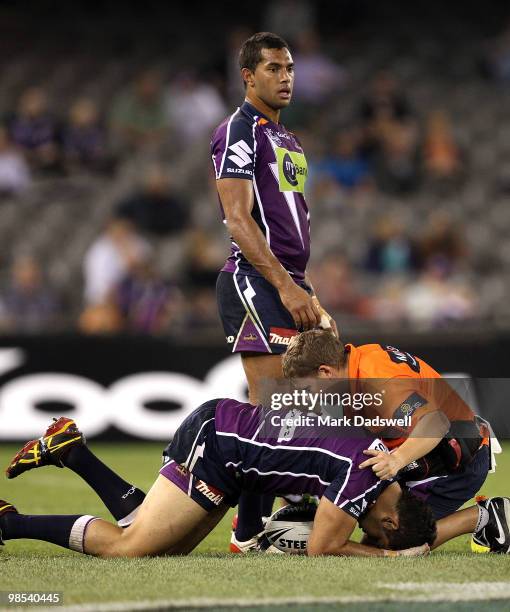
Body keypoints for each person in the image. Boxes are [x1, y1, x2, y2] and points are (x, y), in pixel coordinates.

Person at [2, 408, 436, 558]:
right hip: (220, 445)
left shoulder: (386, 465)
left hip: (231, 446)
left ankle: (72, 451)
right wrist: (387, 560)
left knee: (164, 550)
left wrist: (250, 531)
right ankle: (9, 524)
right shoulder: (367, 481)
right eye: (375, 536)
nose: (365, 530)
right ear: (392, 524)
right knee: (128, 547)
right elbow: (325, 545)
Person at [211, 31, 336, 548]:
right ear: (248, 76)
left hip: (290, 282)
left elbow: (290, 222)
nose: (285, 77)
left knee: (310, 403)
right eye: (273, 68)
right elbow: (239, 222)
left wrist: (307, 290)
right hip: (255, 280)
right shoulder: (238, 132)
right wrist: (286, 288)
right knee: (272, 412)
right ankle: (248, 533)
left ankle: (291, 502)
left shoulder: (288, 138)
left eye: (289, 68)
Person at [281, 330, 494, 525]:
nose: (309, 397)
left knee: (394, 537)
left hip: (453, 462)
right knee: (372, 524)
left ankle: (487, 516)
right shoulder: (350, 366)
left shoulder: (379, 381)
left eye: (308, 388)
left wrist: (396, 460)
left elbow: (435, 422)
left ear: (326, 372)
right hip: (420, 454)